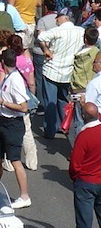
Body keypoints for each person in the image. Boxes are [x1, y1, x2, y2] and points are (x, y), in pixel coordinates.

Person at [0, 49, 31, 209]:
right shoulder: (8, 77)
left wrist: (2, 102)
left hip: (13, 124)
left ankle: (24, 196)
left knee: (15, 160)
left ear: (2, 63)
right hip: (2, 120)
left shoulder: (16, 80)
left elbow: (23, 107)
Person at [38, 7, 85, 138]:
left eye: (58, 16)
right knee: (63, 99)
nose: (56, 18)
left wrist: (46, 49)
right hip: (69, 71)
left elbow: (41, 36)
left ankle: (50, 130)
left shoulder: (57, 31)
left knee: (50, 101)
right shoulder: (81, 31)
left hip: (52, 70)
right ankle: (63, 126)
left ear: (65, 18)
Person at [68, 102, 101, 228]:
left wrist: (75, 178)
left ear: (82, 116)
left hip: (85, 183)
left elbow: (75, 164)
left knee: (84, 222)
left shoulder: (83, 136)